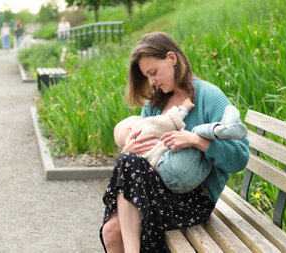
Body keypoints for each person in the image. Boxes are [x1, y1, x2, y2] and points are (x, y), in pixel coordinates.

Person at [100, 32, 250, 252]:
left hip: (194, 199)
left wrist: (198, 140)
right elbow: (142, 158)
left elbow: (239, 159)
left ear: (172, 58)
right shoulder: (155, 104)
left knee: (128, 163)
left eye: (153, 73)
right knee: (111, 232)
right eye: (147, 77)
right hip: (154, 189)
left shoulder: (208, 97)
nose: (152, 82)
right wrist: (129, 148)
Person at [113, 100, 248, 194]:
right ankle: (218, 129)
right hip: (171, 168)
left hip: (176, 184)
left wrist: (124, 153)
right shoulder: (141, 129)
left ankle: (218, 130)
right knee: (193, 133)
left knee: (197, 147)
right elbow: (166, 121)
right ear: (130, 129)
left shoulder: (134, 151)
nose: (143, 118)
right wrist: (184, 107)